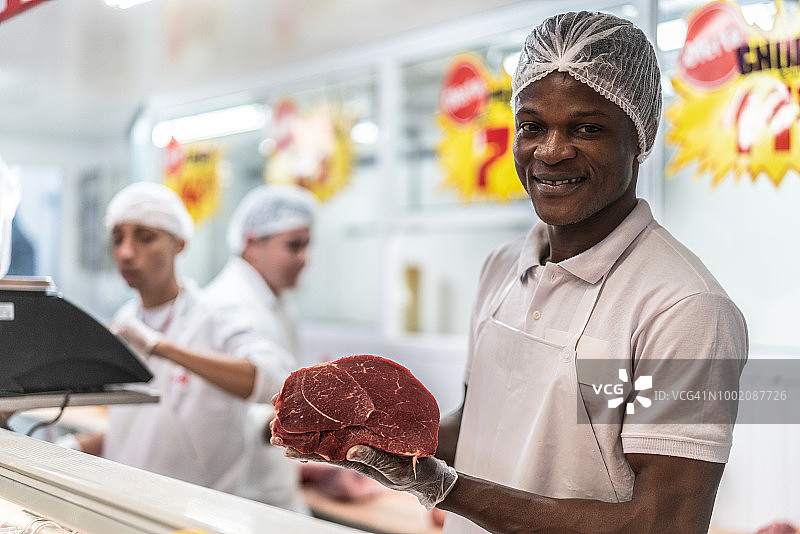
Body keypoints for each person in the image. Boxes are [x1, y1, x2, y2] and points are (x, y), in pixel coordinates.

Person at [270, 11, 749, 534]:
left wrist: (449, 490)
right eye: (532, 126)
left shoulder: (684, 309)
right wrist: (373, 438)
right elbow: (483, 425)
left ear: (640, 134)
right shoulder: (502, 269)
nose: (551, 151)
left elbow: (663, 524)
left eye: (587, 128)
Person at [73, 181, 299, 508]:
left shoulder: (215, 316)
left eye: (145, 237)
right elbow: (145, 430)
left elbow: (276, 381)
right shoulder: (125, 320)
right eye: (117, 238)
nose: (125, 252)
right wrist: (78, 447)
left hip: (197, 514)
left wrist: (162, 348)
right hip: (125, 506)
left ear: (179, 244)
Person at [205, 183, 384, 505]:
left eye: (307, 246)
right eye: (293, 245)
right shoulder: (224, 305)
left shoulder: (279, 305)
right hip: (241, 491)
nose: (304, 258)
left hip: (275, 485)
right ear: (251, 243)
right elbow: (230, 410)